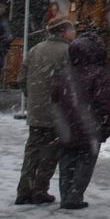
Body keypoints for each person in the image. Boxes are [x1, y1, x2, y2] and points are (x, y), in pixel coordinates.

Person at [51, 33, 110, 210]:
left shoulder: (64, 72)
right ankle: (75, 195)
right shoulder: (98, 74)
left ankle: (65, 194)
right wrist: (108, 121)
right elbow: (104, 102)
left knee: (66, 160)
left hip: (66, 124)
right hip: (89, 125)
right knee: (85, 161)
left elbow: (55, 97)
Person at [15, 18, 74, 205]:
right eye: (72, 29)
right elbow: (72, 83)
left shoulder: (35, 50)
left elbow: (21, 79)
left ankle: (24, 190)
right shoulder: (68, 52)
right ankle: (40, 190)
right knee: (50, 153)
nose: (75, 33)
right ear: (64, 31)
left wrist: (32, 96)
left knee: (32, 150)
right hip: (55, 111)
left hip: (36, 109)